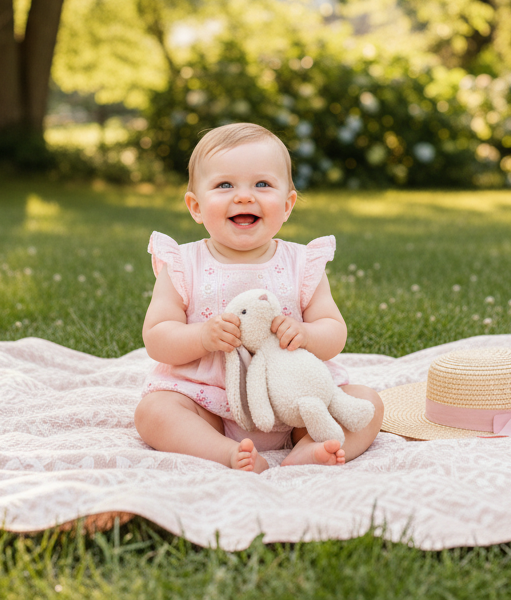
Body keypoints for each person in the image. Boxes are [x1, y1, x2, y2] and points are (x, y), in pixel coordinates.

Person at [134, 123, 385, 473]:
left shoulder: (302, 264)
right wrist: (202, 336)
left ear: (287, 204)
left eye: (262, 184)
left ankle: (310, 449)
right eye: (225, 185)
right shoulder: (183, 264)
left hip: (296, 401)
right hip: (210, 403)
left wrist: (307, 335)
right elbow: (158, 337)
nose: (244, 196)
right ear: (195, 206)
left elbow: (334, 330)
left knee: (367, 403)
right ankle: (225, 453)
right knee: (154, 411)